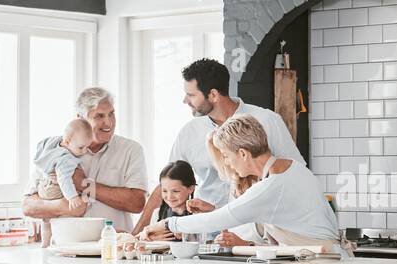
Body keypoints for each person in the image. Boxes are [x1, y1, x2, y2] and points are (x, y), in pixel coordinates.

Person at [142, 115, 338, 249]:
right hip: (326, 261)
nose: (226, 162)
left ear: (243, 153)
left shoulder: (271, 186)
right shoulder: (293, 168)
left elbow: (219, 220)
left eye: (226, 156)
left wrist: (168, 224)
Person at [144, 59, 303, 221]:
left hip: (258, 226)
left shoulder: (267, 121)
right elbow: (168, 183)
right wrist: (138, 232)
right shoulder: (189, 133)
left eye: (191, 95)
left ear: (213, 95)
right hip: (207, 228)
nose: (185, 101)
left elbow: (295, 173)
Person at [22, 87, 148, 234]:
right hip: (65, 250)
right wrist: (65, 206)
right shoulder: (57, 149)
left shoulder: (131, 150)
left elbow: (137, 203)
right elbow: (27, 206)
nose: (108, 123)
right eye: (99, 116)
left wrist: (83, 185)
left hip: (112, 247)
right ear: (80, 119)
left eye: (111, 114)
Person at [29, 117, 95, 247]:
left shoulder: (53, 144)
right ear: (67, 141)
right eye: (81, 147)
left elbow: (40, 144)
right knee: (66, 216)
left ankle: (45, 243)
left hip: (43, 186)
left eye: (87, 147)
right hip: (56, 188)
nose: (84, 151)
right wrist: (72, 197)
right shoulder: (66, 159)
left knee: (46, 220)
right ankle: (62, 243)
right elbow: (64, 179)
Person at [133, 160, 197, 233]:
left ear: (191, 188)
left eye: (175, 191)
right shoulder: (157, 214)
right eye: (165, 191)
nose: (169, 197)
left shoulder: (197, 215)